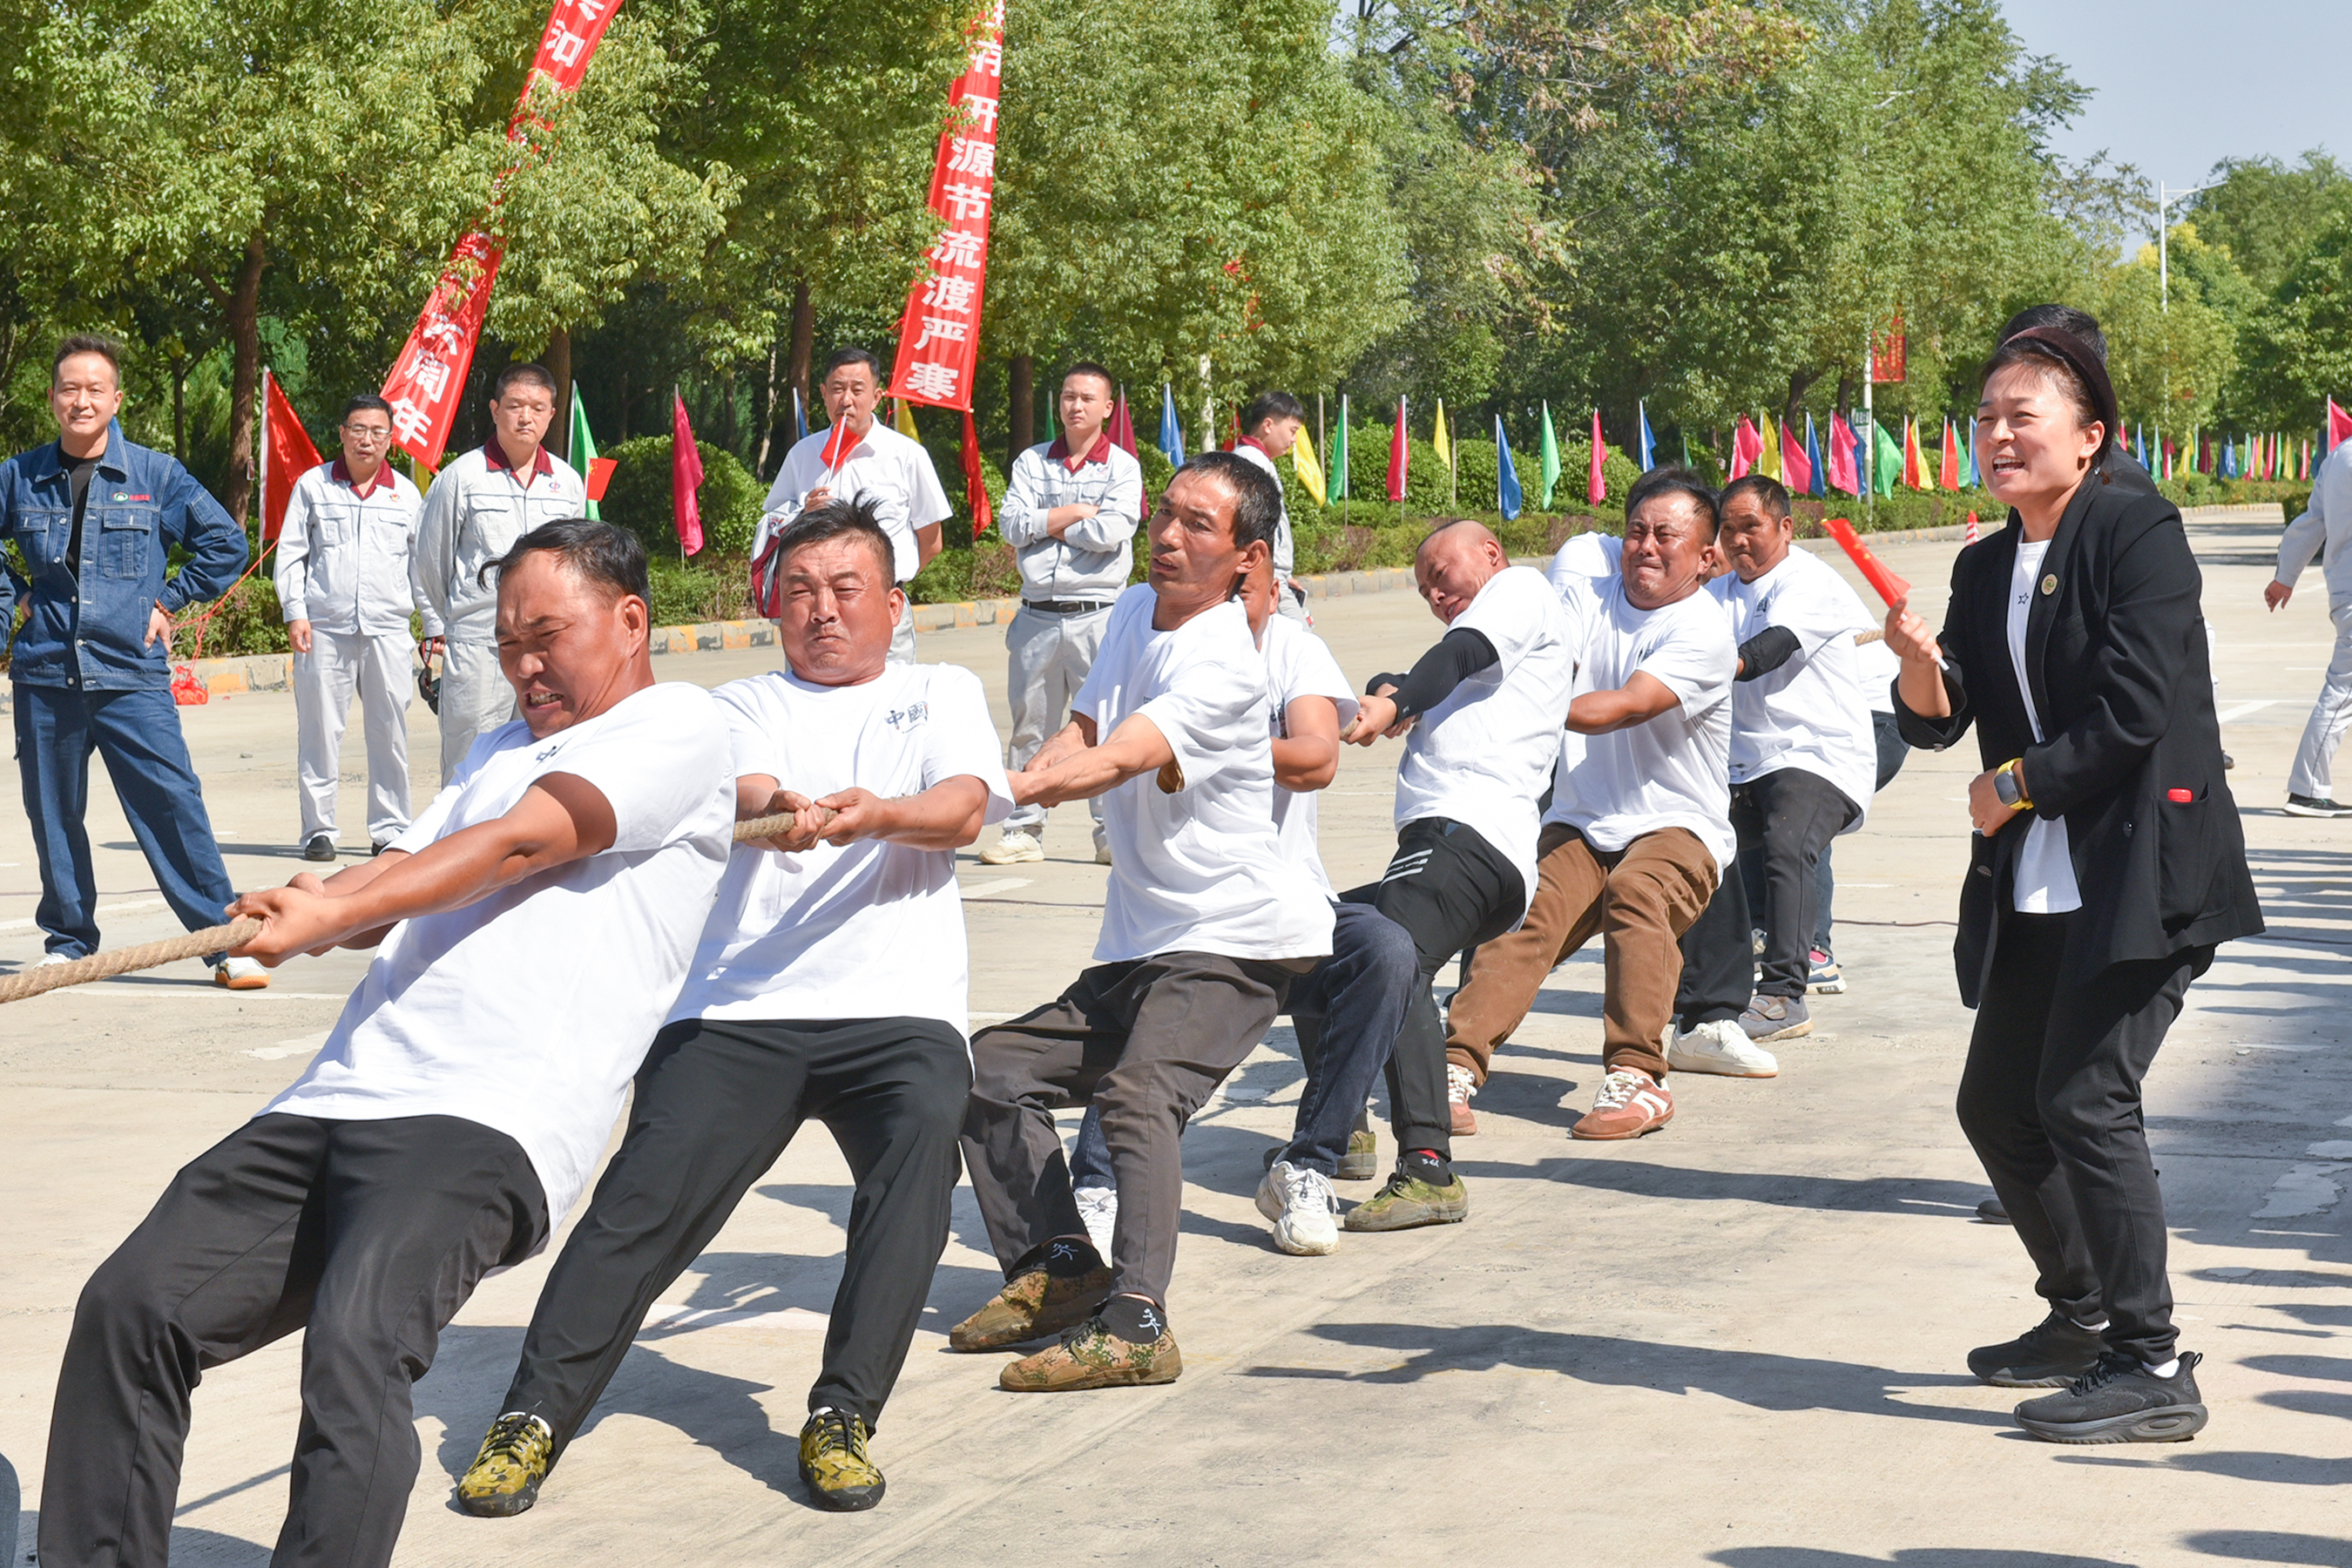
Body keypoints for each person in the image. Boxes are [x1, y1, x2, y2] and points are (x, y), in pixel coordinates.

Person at [37, 520, 735, 1568]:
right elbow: (390, 888)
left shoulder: (678, 726)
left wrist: (328, 916)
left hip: (486, 1118)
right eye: (505, 645)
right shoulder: (500, 750)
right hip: (340, 1097)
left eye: (547, 635)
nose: (523, 665)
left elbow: (517, 844)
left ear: (630, 620)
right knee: (134, 1307)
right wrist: (316, 899)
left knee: (358, 1343)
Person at [455, 498, 1010, 1517]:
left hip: (898, 1011)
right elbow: (749, 785)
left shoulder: (941, 690)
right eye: (798, 593)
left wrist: (873, 814)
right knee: (638, 1210)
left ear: (894, 603)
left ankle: (843, 1414)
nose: (822, 613)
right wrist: (783, 809)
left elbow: (964, 808)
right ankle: (530, 1418)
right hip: (737, 1011)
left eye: (846, 592)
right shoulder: (734, 705)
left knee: (921, 1166)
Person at [1885, 323, 2261, 1443]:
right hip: (2041, 873)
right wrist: (1916, 662)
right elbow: (1942, 717)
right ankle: (2086, 1313)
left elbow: (2137, 711)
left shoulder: (2133, 528)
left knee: (2087, 1100)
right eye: (1987, 417)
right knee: (1998, 1104)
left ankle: (2152, 1363)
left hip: (2141, 863)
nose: (1997, 434)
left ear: (2090, 437)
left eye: (2023, 416)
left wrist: (2019, 781)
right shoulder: (1984, 560)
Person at [952, 452, 1332, 1391]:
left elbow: (1116, 759)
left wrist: (981, 797)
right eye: (1164, 515)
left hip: (1235, 937)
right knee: (990, 1069)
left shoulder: (1226, 666)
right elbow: (1081, 732)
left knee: (1135, 1095)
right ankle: (1064, 1269)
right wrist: (1020, 784)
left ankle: (1138, 1323)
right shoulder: (1129, 611)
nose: (1166, 536)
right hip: (1143, 936)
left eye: (1197, 526)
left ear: (1247, 559)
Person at [1064, 557, 1416, 1258]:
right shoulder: (1147, 624)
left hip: (1282, 912)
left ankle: (1308, 1164)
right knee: (1156, 1012)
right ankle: (1098, 1184)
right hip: (1181, 913)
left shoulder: (1291, 648)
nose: (1226, 607)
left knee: (1383, 950)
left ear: (1261, 575)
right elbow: (1086, 734)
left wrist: (1201, 736)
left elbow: (1317, 758)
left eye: (1242, 594)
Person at [1443, 470, 1735, 1139]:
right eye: (1637, 531)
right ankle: (1454, 1065)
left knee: (1637, 891)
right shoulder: (1585, 595)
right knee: (1522, 909)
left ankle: (1639, 1076)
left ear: (1708, 558)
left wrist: (1524, 712)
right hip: (1580, 821)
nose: (1647, 547)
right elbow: (1538, 658)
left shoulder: (1704, 631)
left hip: (1677, 827)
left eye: (1668, 536)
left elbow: (1622, 707)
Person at [0, 335, 263, 987]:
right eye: (69, 388)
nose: (81, 400)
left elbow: (226, 543)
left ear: (118, 400)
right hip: (46, 674)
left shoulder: (155, 474)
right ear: (52, 398)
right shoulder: (19, 475)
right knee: (53, 813)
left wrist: (169, 601)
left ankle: (226, 942)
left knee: (172, 804)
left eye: (95, 389)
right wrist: (16, 596)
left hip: (130, 675)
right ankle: (69, 941)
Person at [1335, 519, 1576, 1222]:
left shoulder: (1519, 591)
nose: (1435, 592)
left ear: (1490, 555)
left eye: (1442, 573)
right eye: (1423, 589)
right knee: (1321, 938)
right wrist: (1394, 689)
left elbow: (1459, 654)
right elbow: (1439, 671)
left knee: (1395, 957)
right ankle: (1344, 1122)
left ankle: (1428, 1170)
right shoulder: (1482, 650)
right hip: (1457, 843)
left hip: (1469, 831)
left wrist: (1396, 701)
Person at [1704, 473, 1876, 1045]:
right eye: (1727, 530)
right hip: (1744, 764)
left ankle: (1783, 995)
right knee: (1685, 846)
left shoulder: (1808, 582)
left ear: (1784, 526)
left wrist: (1694, 670)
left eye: (1750, 526)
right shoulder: (1718, 594)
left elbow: (1767, 652)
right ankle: (1704, 984)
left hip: (1819, 755)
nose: (1738, 541)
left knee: (1787, 842)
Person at [982, 360, 1144, 866]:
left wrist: (1044, 523)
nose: (1075, 406)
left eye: (1087, 399)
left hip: (1099, 614)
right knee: (1031, 725)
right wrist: (1074, 513)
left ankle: (1109, 832)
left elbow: (1114, 530)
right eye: (1069, 397)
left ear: (1108, 408)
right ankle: (1023, 828)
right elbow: (1010, 523)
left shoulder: (1121, 466)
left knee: (1102, 726)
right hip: (1037, 616)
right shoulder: (1033, 462)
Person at [411, 363, 586, 782]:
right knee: (468, 760)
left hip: (548, 648)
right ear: (494, 410)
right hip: (480, 646)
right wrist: (447, 624)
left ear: (551, 414)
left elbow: (576, 564)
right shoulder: (462, 477)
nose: (525, 417)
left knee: (543, 752)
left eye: (537, 408)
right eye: (515, 406)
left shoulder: (566, 482)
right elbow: (428, 561)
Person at [275, 393, 425, 862]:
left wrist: (433, 628)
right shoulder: (313, 486)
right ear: (341, 433)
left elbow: (421, 567)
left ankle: (391, 828)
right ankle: (318, 830)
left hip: (388, 630)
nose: (367, 440)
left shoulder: (406, 493)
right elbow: (292, 554)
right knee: (319, 731)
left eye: (378, 432)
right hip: (324, 629)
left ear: (390, 440)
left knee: (390, 732)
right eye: (357, 429)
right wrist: (295, 612)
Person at [758, 348, 953, 664]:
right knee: (815, 702)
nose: (846, 400)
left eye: (857, 390)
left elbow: (931, 541)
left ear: (876, 397)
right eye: (837, 389)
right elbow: (771, 528)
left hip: (881, 611)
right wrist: (802, 515)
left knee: (886, 705)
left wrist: (882, 583)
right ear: (823, 393)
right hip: (814, 616)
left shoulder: (906, 455)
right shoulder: (802, 455)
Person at [1807, 628, 1908, 993]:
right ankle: (1766, 935)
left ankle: (1813, 952)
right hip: (1835, 719)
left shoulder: (1787, 586)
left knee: (1805, 813)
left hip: (1874, 719)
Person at [2269, 435, 2352, 816]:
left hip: (2343, 587)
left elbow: (2311, 521)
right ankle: (2307, 788)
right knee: (2343, 690)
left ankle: (2308, 786)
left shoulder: (2338, 456)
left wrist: (2285, 575)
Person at [1232, 390, 1309, 620]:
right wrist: (1272, 573)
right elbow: (1256, 527)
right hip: (1266, 578)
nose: (1294, 439)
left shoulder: (1259, 460)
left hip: (1274, 576)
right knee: (1301, 645)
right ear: (1268, 425)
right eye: (1292, 431)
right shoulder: (1251, 461)